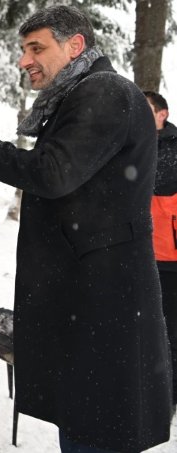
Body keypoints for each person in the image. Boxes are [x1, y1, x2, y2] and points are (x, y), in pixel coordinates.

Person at [0, 6, 172, 452]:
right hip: (90, 291)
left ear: (75, 45)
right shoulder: (86, 93)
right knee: (87, 418)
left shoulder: (104, 92)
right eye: (23, 49)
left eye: (37, 48)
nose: (25, 60)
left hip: (104, 297)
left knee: (98, 427)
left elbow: (53, 172)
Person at [146, 90, 177, 405]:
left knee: (171, 332)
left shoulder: (172, 146)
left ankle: (169, 395)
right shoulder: (129, 145)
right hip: (138, 255)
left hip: (171, 259)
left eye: (147, 110)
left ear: (162, 114)